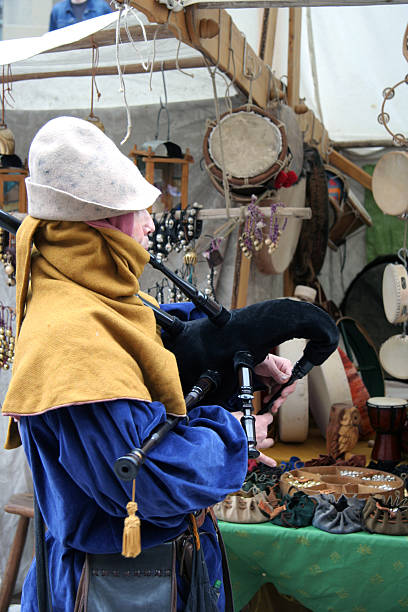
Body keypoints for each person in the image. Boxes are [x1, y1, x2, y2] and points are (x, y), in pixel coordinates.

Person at [2, 116, 295, 611]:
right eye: (141, 212)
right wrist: (237, 436)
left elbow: (150, 340)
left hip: (154, 571)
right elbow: (145, 479)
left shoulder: (91, 295)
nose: (151, 224)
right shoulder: (73, 335)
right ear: (107, 224)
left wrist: (230, 354)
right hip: (120, 588)